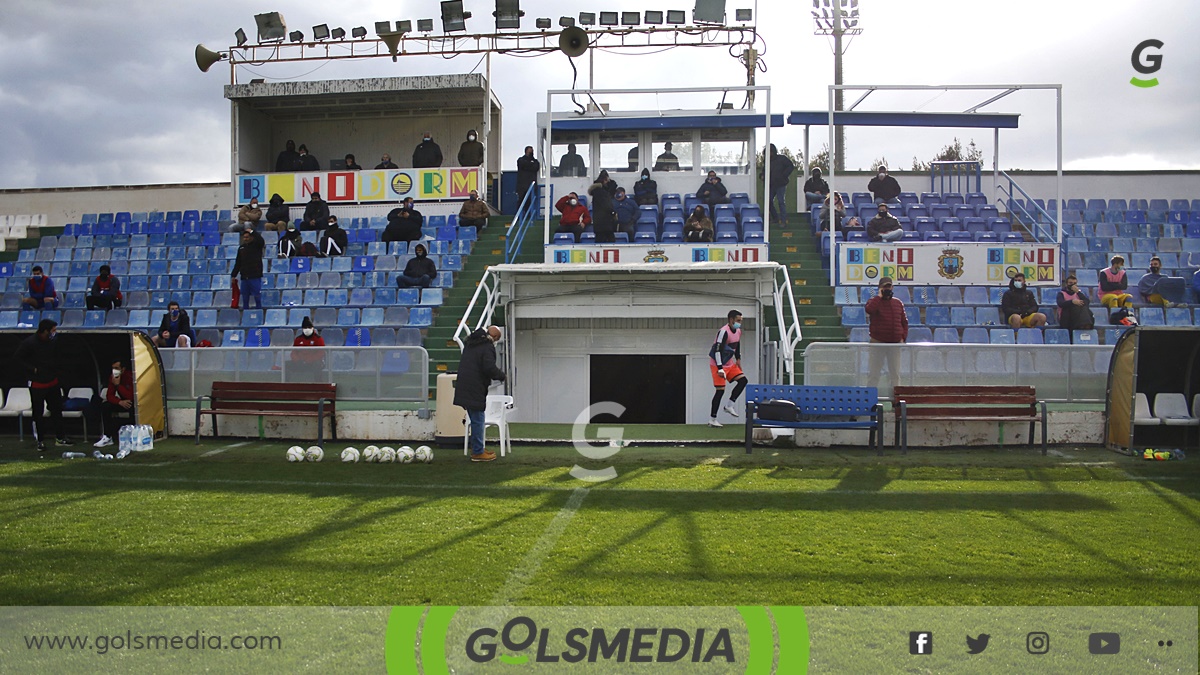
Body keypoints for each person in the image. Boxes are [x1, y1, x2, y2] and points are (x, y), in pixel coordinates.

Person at [14, 319, 73, 453]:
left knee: (57, 410)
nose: (54, 333)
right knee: (38, 413)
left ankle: (60, 437)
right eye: (52, 330)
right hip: (37, 384)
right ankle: (40, 440)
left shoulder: (53, 343)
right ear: (45, 330)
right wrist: (32, 369)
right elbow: (18, 358)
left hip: (52, 382)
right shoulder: (29, 343)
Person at [454, 325, 506, 462]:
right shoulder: (487, 347)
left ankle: (478, 448)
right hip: (474, 387)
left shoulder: (472, 343)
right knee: (478, 420)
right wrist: (501, 375)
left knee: (476, 418)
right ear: (494, 338)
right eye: (497, 339)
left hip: (465, 384)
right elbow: (489, 367)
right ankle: (477, 452)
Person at [864, 276, 907, 392]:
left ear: (892, 287)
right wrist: (879, 296)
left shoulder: (898, 303)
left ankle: (896, 401)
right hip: (878, 342)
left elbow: (904, 322)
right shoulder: (873, 301)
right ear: (880, 288)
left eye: (889, 286)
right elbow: (869, 310)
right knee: (874, 373)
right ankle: (869, 399)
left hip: (895, 344)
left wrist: (903, 337)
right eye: (884, 287)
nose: (887, 289)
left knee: (895, 374)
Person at [708, 310, 749, 428]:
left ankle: (729, 405)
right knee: (720, 390)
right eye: (738, 321)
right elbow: (717, 350)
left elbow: (737, 345)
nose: (739, 323)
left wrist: (738, 359)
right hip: (717, 363)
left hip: (729, 363)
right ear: (731, 320)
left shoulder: (738, 331)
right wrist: (720, 368)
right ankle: (712, 419)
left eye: (741, 321)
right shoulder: (723, 332)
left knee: (743, 381)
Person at [93, 360, 134, 449]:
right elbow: (109, 395)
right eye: (113, 368)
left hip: (134, 402)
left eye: (116, 368)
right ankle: (107, 437)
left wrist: (118, 385)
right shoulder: (113, 378)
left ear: (123, 369)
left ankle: (132, 436)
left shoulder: (130, 376)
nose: (114, 370)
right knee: (105, 406)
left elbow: (131, 396)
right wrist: (119, 402)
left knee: (133, 407)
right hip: (122, 401)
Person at [231, 227, 265, 310]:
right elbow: (238, 262)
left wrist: (253, 231)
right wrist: (233, 275)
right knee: (245, 297)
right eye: (244, 237)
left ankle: (258, 311)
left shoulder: (257, 246)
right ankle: (245, 313)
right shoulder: (241, 248)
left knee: (257, 296)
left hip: (255, 276)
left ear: (251, 237)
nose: (245, 239)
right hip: (244, 277)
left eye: (247, 237)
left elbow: (261, 241)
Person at [291, 317, 326, 383]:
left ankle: (318, 385)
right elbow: (294, 352)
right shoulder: (298, 339)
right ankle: (287, 385)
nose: (307, 329)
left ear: (312, 328)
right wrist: (297, 359)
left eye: (309, 327)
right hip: (300, 362)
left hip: (313, 362)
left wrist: (310, 359)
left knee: (317, 365)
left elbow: (321, 352)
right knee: (287, 365)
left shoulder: (318, 339)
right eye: (305, 327)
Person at [767, 144, 795, 226]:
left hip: (781, 184)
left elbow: (791, 166)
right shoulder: (768, 161)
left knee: (781, 201)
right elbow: (764, 171)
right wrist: (762, 175)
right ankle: (775, 218)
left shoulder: (782, 159)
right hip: (772, 184)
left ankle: (783, 220)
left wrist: (784, 175)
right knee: (768, 201)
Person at [588, 174, 617, 244]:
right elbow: (606, 205)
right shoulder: (601, 192)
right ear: (604, 180)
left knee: (599, 240)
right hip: (605, 222)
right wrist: (613, 212)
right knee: (610, 241)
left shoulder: (596, 192)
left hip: (599, 222)